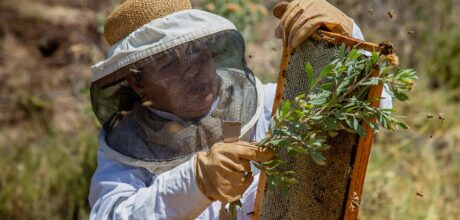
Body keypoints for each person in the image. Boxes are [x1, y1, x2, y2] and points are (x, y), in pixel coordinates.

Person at [88, 0, 388, 219]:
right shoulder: (126, 152)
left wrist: (348, 43)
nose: (192, 70)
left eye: (195, 51)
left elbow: (370, 107)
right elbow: (111, 215)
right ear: (138, 84)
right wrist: (194, 182)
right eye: (168, 63)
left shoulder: (271, 105)